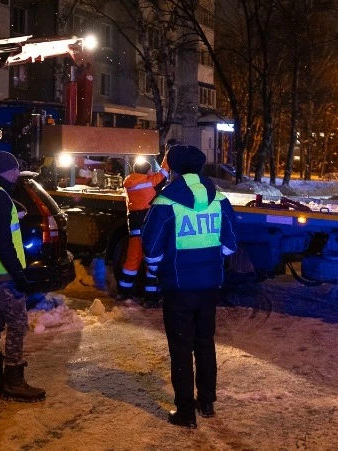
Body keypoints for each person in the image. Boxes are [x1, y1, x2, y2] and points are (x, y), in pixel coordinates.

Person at [141, 144, 238, 428]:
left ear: (173, 168)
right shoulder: (219, 199)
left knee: (181, 347)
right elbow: (230, 246)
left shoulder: (165, 202)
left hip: (178, 287)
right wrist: (210, 261)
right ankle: (206, 402)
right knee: (205, 342)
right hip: (209, 286)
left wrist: (158, 270)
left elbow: (152, 250)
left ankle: (185, 413)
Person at [0, 151, 46, 403]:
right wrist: (19, 275)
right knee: (17, 324)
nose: (17, 174)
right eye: (14, 170)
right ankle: (14, 380)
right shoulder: (0, 197)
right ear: (4, 171)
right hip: (3, 274)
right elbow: (2, 242)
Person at [117, 158, 169, 306]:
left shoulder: (129, 183)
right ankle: (151, 298)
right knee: (151, 262)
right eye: (150, 170)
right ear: (146, 171)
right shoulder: (150, 182)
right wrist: (169, 153)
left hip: (134, 227)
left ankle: (123, 292)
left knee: (132, 260)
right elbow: (164, 172)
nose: (152, 172)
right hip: (149, 229)